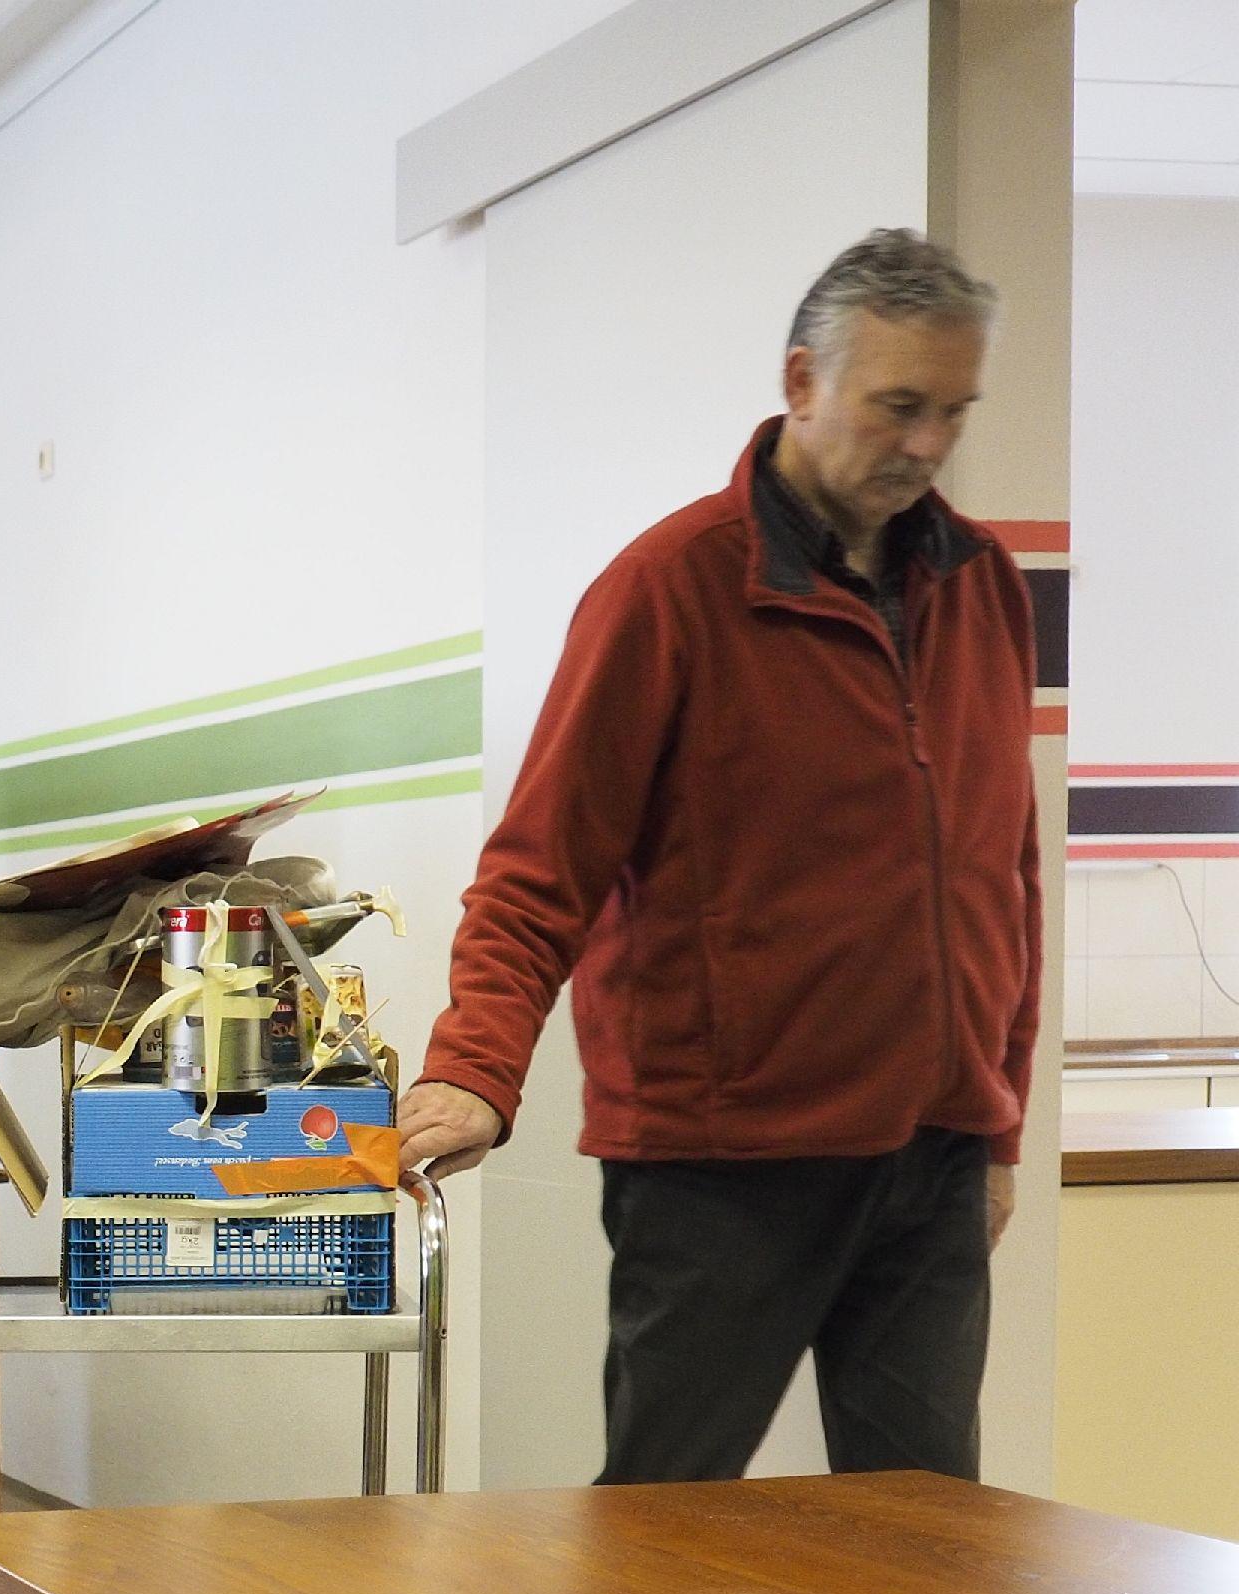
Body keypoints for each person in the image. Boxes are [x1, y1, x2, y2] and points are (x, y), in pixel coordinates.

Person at [398, 229, 1039, 1483]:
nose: (925, 445)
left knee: (930, 1550)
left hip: (933, 1154)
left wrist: (1000, 1123)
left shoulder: (986, 585)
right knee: (666, 1533)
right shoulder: (670, 589)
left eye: (952, 413)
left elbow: (1003, 876)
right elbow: (542, 865)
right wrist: (478, 1066)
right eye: (897, 405)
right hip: (724, 1165)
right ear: (802, 382)